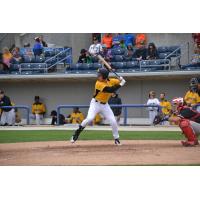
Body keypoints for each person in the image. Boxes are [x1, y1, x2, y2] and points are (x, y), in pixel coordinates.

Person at [70, 68, 126, 145]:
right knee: (89, 118)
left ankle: (116, 139)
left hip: (105, 105)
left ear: (104, 76)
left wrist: (121, 79)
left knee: (113, 121)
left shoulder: (111, 81)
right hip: (95, 104)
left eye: (100, 75)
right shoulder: (98, 83)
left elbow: (118, 82)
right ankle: (76, 133)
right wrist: (120, 84)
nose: (98, 77)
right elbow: (109, 90)